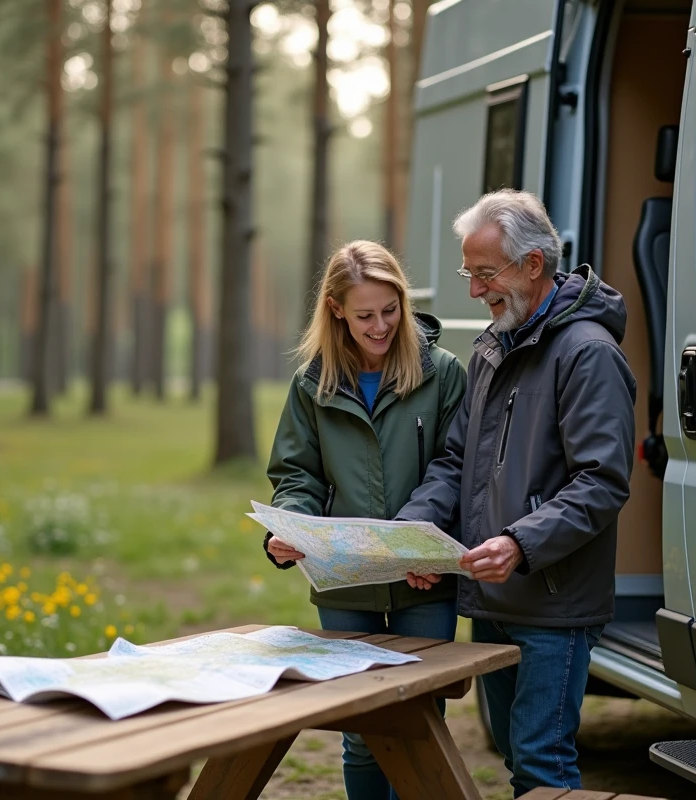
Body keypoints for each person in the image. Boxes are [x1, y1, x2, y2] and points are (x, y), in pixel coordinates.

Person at [398, 188, 637, 796]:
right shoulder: (490, 347)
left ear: (533, 265)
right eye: (469, 274)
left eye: (485, 274)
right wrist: (412, 534)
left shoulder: (588, 354)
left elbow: (603, 482)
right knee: (514, 754)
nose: (474, 291)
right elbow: (456, 460)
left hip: (552, 605)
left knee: (542, 768)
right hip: (492, 599)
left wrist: (519, 544)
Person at [262, 240, 467, 799]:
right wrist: (291, 528)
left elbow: (455, 467)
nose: (380, 326)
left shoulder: (442, 373)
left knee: (421, 729)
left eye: (390, 310)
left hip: (422, 581)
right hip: (344, 585)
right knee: (361, 733)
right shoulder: (313, 383)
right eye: (364, 315)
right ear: (335, 310)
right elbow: (297, 473)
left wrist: (409, 542)